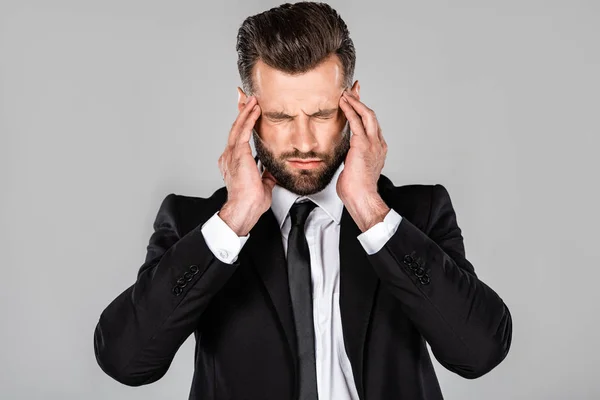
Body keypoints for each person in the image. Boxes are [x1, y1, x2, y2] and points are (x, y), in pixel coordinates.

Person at [93, 2, 512, 399]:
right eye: (280, 118)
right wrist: (234, 220)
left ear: (354, 103)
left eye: (322, 115)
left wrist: (369, 209)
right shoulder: (197, 225)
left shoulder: (418, 215)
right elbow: (126, 361)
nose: (304, 141)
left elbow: (478, 354)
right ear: (246, 108)